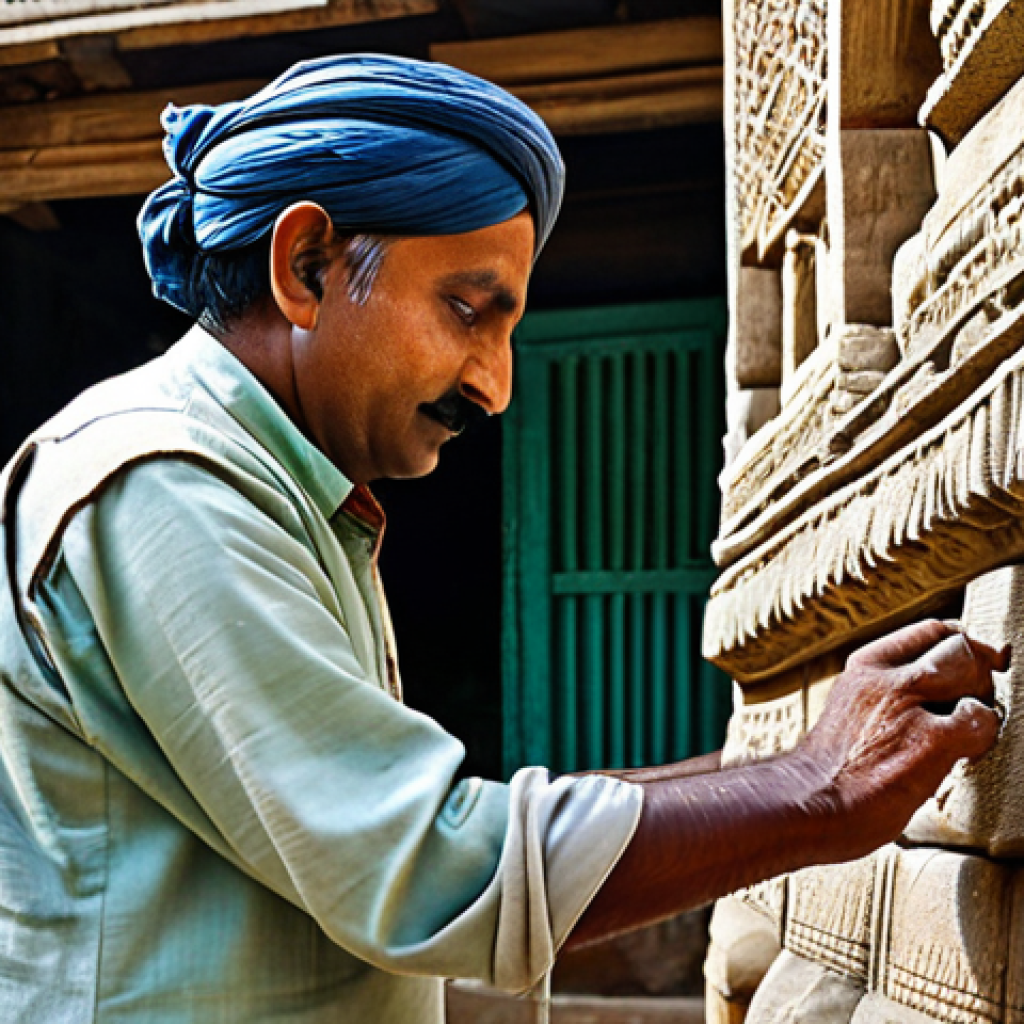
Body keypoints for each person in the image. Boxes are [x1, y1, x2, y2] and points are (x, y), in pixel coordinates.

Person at [0, 54, 1006, 1023]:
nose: (495, 382)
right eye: (467, 310)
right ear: (304, 265)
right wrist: (813, 793)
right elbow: (425, 866)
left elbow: (421, 822)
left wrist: (799, 759)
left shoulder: (280, 492)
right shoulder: (161, 485)